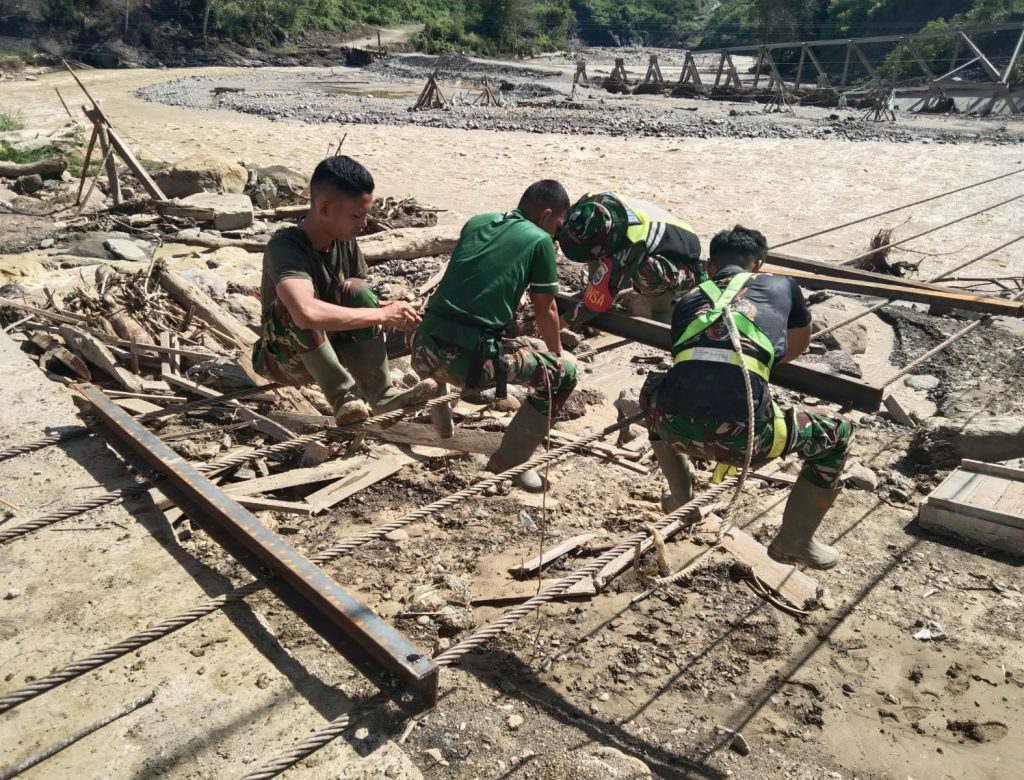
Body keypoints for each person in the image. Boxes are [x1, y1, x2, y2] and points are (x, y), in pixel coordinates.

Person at [641, 225, 855, 569]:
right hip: (747, 440)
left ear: (710, 267)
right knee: (836, 433)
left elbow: (688, 356)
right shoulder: (783, 285)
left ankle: (682, 499)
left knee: (654, 389)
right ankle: (795, 540)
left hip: (671, 429)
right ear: (758, 265)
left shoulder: (688, 301)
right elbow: (797, 344)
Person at [411, 180, 576, 492]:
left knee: (481, 333)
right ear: (546, 215)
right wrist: (557, 357)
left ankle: (441, 414)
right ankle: (511, 461)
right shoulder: (540, 240)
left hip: (422, 347)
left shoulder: (477, 222)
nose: (556, 234)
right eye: (558, 226)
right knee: (563, 374)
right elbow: (547, 310)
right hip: (468, 364)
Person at [252, 155, 436, 424]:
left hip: (333, 347)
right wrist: (383, 316)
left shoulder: (345, 241)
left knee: (358, 289)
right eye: (357, 215)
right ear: (325, 208)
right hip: (284, 359)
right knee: (294, 307)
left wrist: (394, 310)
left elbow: (357, 305)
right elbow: (304, 314)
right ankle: (344, 398)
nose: (364, 224)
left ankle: (382, 396)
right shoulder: (286, 247)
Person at [557, 191, 705, 326]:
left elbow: (592, 308)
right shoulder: (590, 205)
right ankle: (593, 289)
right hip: (656, 244)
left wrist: (561, 323)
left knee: (646, 270)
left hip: (689, 266)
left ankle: (662, 309)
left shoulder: (633, 240)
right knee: (593, 247)